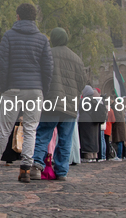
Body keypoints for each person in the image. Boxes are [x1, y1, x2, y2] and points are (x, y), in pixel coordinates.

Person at [0, 3, 53, 183]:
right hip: (35, 89)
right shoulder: (42, 39)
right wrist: (43, 90)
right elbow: (48, 68)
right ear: (34, 18)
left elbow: (2, 63)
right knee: (31, 129)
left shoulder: (9, 36)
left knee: (5, 129)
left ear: (17, 16)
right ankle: (25, 168)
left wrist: (5, 87)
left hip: (13, 88)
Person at [30, 27, 85, 181]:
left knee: (43, 134)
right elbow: (82, 83)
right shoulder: (77, 59)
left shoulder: (47, 55)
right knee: (65, 139)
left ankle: (37, 164)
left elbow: (40, 76)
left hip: (51, 103)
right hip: (70, 105)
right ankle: (62, 171)